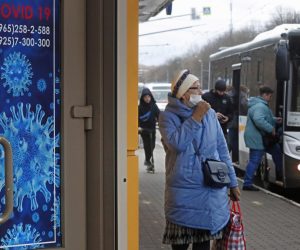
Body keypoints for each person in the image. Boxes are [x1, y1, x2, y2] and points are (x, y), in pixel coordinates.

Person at [158, 69, 240, 250]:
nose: (201, 93)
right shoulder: (167, 117)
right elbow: (177, 144)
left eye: (201, 87)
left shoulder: (210, 114)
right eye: (196, 88)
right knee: (180, 246)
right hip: (183, 195)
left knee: (203, 246)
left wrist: (232, 183)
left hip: (210, 192)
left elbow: (222, 149)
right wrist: (196, 117)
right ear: (184, 93)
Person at [243, 86, 283, 191]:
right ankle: (247, 183)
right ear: (265, 95)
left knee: (276, 151)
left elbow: (263, 117)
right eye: (269, 96)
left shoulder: (257, 104)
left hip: (260, 138)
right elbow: (258, 119)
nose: (270, 98)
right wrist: (271, 128)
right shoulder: (260, 106)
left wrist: (274, 120)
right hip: (258, 138)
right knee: (255, 160)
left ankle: (281, 173)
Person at [138, 87, 160, 171]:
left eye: (148, 97)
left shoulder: (154, 106)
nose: (147, 99)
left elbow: (159, 115)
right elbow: (136, 119)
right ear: (143, 98)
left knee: (153, 145)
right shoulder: (139, 107)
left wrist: (160, 122)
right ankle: (148, 161)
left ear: (151, 97)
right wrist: (138, 127)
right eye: (145, 97)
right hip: (143, 130)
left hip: (152, 129)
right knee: (147, 146)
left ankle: (147, 160)